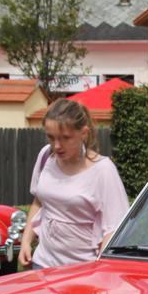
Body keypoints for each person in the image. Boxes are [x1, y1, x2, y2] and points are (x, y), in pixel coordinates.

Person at [18, 99, 129, 269]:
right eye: (51, 137)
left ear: (83, 133)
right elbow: (39, 201)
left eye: (65, 138)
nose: (57, 145)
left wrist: (101, 269)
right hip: (43, 264)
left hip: (81, 270)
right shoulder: (46, 156)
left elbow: (114, 227)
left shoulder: (102, 170)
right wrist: (26, 241)